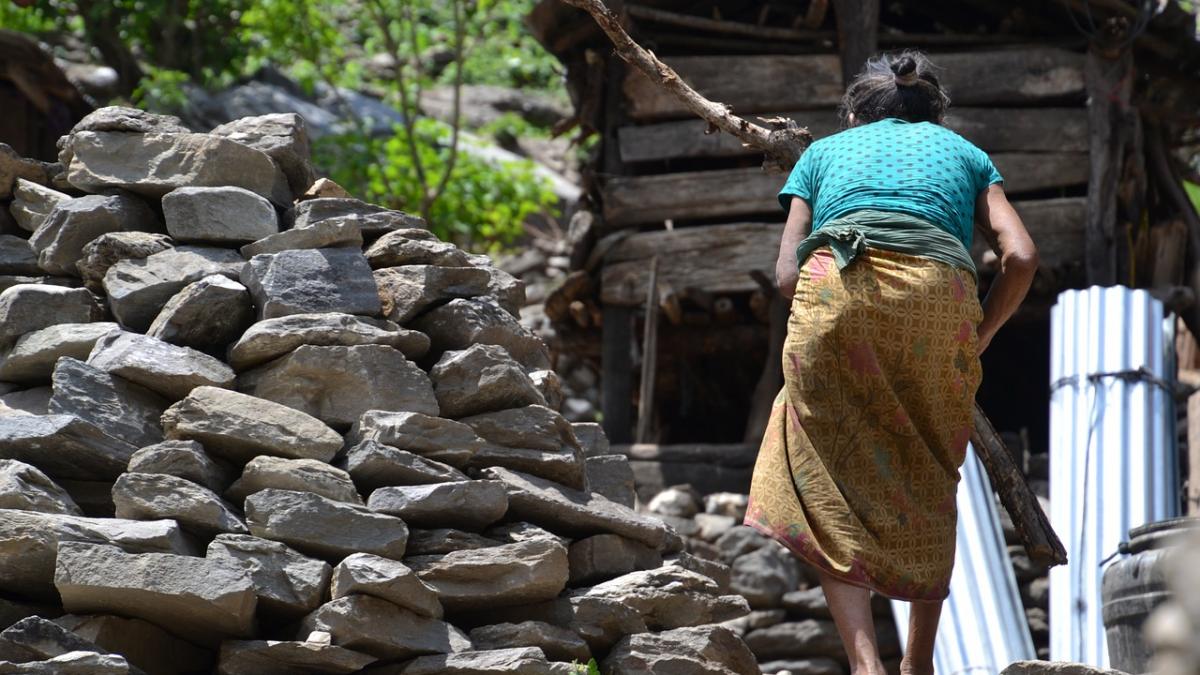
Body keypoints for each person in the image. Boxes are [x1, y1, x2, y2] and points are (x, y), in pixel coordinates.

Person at [743, 50, 1038, 675]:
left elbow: (787, 272)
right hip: (937, 309)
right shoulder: (965, 154)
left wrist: (826, 323)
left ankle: (864, 664)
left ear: (854, 113)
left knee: (821, 467)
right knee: (929, 470)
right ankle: (919, 663)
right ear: (934, 111)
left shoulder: (820, 153)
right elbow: (1021, 257)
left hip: (835, 293)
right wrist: (979, 333)